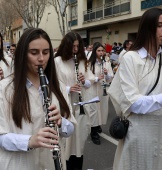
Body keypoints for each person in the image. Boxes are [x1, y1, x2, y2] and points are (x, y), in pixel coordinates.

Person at [0, 28, 75, 170]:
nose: (41, 58)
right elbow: (1, 137)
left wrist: (61, 122)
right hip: (19, 164)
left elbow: (70, 128)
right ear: (23, 54)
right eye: (34, 53)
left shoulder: (57, 86)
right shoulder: (4, 88)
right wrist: (29, 141)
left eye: (46, 52)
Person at [108, 8, 162, 170]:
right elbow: (132, 102)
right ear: (148, 28)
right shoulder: (131, 58)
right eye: (160, 25)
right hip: (140, 133)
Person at [54, 32, 95, 170]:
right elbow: (53, 84)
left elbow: (90, 80)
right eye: (73, 46)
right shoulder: (58, 61)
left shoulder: (82, 60)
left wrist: (85, 81)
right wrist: (68, 88)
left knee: (80, 141)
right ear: (66, 46)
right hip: (66, 105)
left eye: (78, 46)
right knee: (67, 141)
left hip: (81, 105)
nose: (76, 49)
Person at [88, 42, 113, 145]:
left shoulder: (107, 62)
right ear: (95, 51)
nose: (101, 52)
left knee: (102, 109)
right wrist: (97, 78)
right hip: (93, 89)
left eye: (102, 50)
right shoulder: (90, 63)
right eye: (99, 51)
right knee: (94, 110)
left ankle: (98, 125)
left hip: (103, 88)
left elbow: (111, 77)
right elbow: (87, 77)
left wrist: (107, 74)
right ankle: (93, 132)